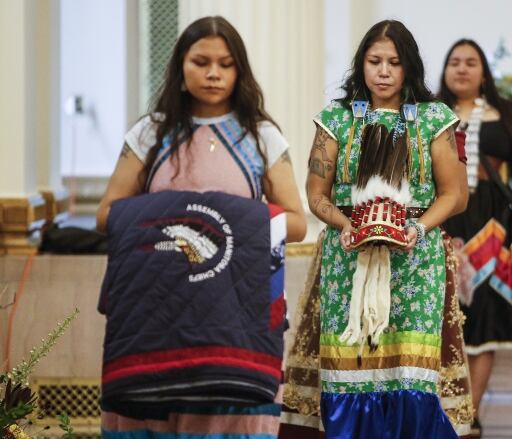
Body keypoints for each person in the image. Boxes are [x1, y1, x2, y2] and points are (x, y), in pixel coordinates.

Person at [95, 16, 306, 438]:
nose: (213, 73)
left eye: (226, 64)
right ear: (180, 66)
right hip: (157, 312)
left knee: (233, 419)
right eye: (201, 61)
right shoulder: (150, 133)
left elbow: (296, 223)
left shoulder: (262, 137)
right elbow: (108, 214)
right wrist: (185, 212)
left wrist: (218, 214)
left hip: (237, 311)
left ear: (239, 71)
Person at [302, 20, 468, 439]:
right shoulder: (335, 120)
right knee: (352, 366)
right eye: (374, 61)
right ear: (361, 65)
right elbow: (317, 194)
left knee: (410, 371)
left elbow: (455, 195)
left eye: (394, 63)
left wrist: (418, 227)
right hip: (348, 255)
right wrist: (345, 224)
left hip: (416, 257)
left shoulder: (434, 119)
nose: (383, 71)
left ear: (409, 67)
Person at [436, 38, 512, 436]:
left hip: (493, 229)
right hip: (444, 224)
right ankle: (446, 410)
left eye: (470, 62)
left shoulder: (505, 115)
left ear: (483, 71)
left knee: (486, 322)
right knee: (444, 321)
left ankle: (468, 415)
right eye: (454, 62)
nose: (461, 69)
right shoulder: (430, 114)